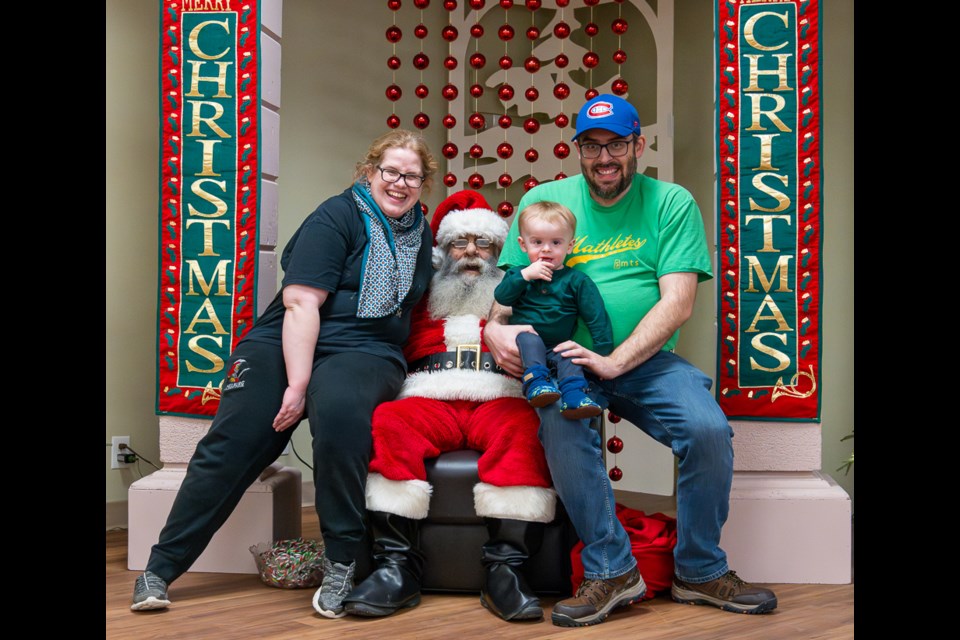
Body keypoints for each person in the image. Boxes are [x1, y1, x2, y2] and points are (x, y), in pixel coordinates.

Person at [484, 94, 779, 627]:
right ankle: (612, 570)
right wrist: (492, 329)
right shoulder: (545, 200)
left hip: (644, 362)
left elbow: (678, 300)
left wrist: (617, 360)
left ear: (638, 145)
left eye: (616, 144)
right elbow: (504, 297)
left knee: (707, 430)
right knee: (562, 421)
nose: (604, 158)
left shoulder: (670, 203)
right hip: (563, 362)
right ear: (577, 150)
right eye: (592, 146)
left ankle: (700, 571)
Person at [131, 130, 438, 619]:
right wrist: (296, 386)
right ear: (369, 171)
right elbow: (300, 303)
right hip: (288, 334)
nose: (400, 184)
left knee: (340, 419)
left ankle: (343, 561)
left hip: (365, 347)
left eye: (413, 176)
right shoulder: (336, 216)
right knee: (231, 445)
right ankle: (160, 569)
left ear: (424, 184)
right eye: (391, 171)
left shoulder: (420, 235)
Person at [339, 190, 557, 623]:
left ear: (500, 252)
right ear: (442, 250)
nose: (472, 253)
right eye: (460, 242)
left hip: (498, 395)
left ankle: (505, 570)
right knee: (390, 421)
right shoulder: (419, 295)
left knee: (524, 432)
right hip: (427, 396)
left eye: (484, 243)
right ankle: (396, 566)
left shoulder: (519, 291)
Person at [493, 201, 612, 420]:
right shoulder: (519, 275)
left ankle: (575, 397)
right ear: (523, 244)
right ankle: (537, 384)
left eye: (556, 242)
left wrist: (603, 355)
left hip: (558, 345)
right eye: (537, 242)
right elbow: (502, 296)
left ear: (570, 246)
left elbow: (597, 318)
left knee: (571, 355)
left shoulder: (577, 281)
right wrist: (526, 276)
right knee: (528, 337)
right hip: (527, 345)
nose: (546, 249)